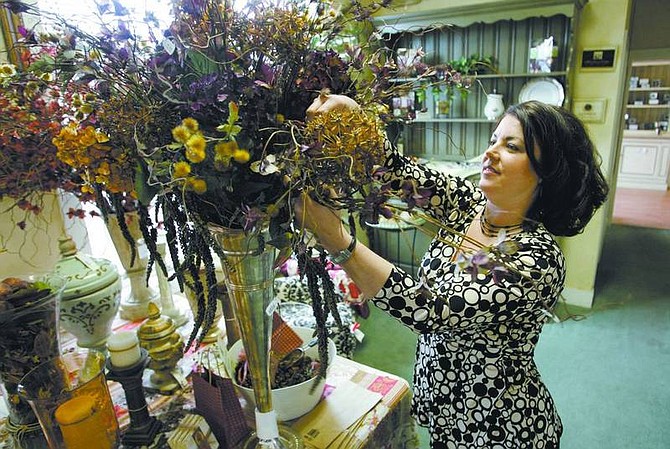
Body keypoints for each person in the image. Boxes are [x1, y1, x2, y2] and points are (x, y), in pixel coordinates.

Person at [297, 95, 609, 449]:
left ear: (546, 173)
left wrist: (336, 238)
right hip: (445, 402)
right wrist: (356, 119)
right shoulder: (470, 206)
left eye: (512, 146)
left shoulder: (535, 259)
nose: (490, 152)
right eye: (493, 140)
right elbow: (398, 171)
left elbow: (432, 310)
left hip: (497, 424)